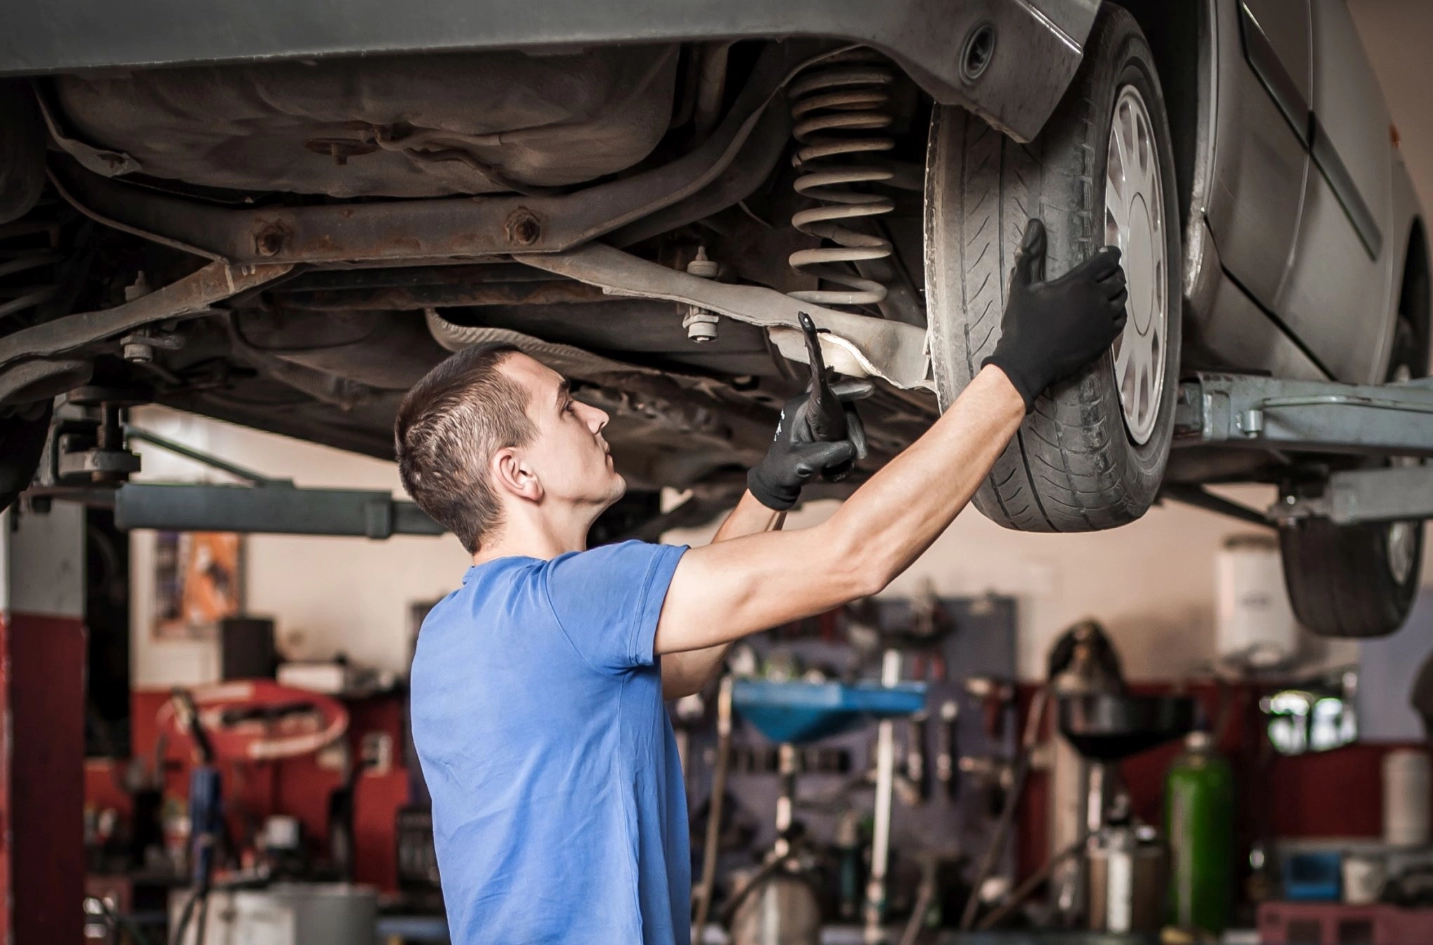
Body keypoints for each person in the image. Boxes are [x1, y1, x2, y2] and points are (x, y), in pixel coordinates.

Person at [395, 220, 1127, 944]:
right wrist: (1018, 370)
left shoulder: (451, 636)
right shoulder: (576, 596)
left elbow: (679, 668)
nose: (598, 413)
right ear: (518, 474)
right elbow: (857, 556)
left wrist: (769, 489)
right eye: (565, 406)